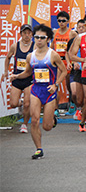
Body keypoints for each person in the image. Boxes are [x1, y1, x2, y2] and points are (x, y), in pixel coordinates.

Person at [10, 24, 67, 159]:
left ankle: (52, 118)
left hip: (49, 91)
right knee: (34, 120)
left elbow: (64, 71)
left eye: (42, 37)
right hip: (36, 90)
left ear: (48, 39)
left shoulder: (53, 55)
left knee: (47, 126)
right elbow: (28, 72)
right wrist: (17, 76)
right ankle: (38, 149)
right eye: (37, 37)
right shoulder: (31, 56)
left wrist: (56, 85)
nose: (39, 40)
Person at [1, 24, 34, 133]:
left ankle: (24, 124)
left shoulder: (34, 47)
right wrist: (6, 71)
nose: (27, 35)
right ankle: (21, 102)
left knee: (28, 104)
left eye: (29, 33)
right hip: (17, 78)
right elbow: (8, 57)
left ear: (32, 34)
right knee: (13, 104)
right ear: (21, 34)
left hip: (29, 79)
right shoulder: (15, 46)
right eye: (25, 33)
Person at [50, 11, 78, 109]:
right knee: (55, 84)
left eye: (63, 21)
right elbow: (52, 47)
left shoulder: (72, 33)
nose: (61, 23)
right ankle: (55, 108)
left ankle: (72, 101)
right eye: (59, 21)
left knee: (69, 85)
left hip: (68, 61)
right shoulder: (54, 32)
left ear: (67, 21)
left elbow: (75, 48)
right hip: (57, 62)